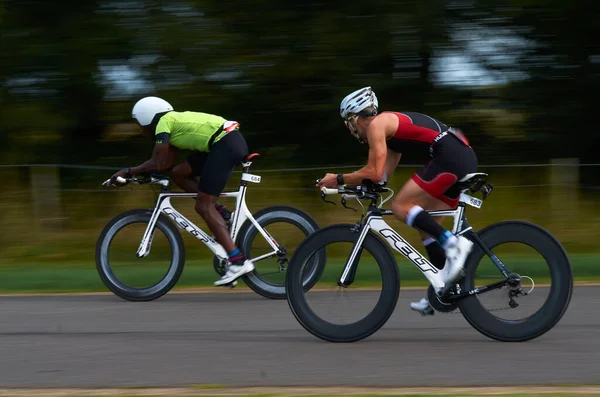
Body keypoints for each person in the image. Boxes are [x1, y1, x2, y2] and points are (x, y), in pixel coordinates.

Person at [316, 86, 478, 314]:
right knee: (426, 228)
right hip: (460, 154)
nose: (350, 129)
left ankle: (454, 243)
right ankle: (443, 289)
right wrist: (352, 188)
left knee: (401, 206)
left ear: (354, 118)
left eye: (348, 123)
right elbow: (379, 178)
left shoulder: (377, 125)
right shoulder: (391, 138)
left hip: (450, 156)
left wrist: (338, 179)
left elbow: (372, 172)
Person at [108, 96, 254, 286]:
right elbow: (165, 166)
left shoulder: (163, 123)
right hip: (225, 141)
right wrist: (141, 174)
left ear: (146, 118)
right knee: (179, 174)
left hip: (225, 143)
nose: (140, 128)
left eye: (138, 123)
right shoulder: (172, 124)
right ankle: (223, 215)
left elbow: (157, 163)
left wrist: (128, 172)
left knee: (203, 206)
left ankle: (237, 262)